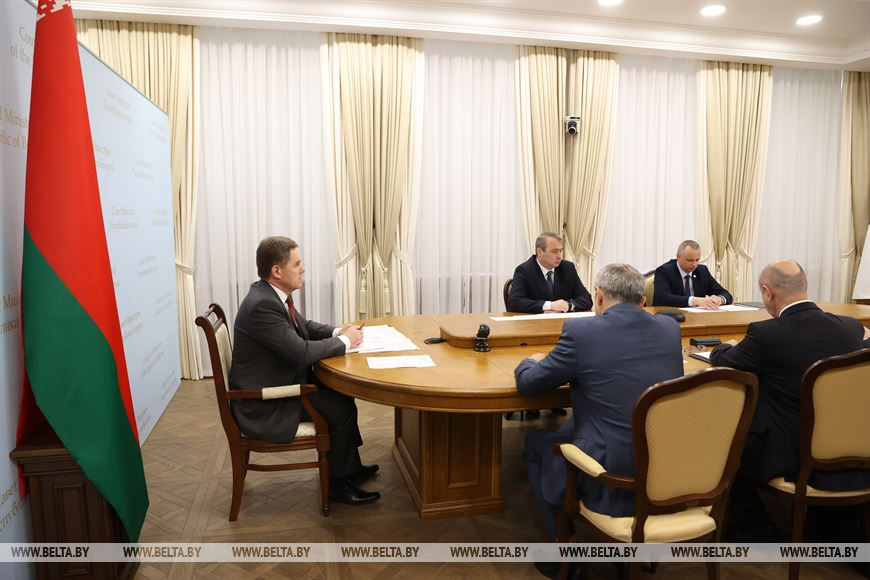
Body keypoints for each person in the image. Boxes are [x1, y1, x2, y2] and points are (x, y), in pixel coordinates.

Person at [515, 263, 683, 543]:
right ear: (643, 301)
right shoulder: (669, 327)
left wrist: (529, 362)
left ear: (600, 296)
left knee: (536, 443)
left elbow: (530, 384)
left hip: (610, 473)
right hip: (666, 468)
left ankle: (560, 549)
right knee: (578, 423)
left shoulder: (581, 332)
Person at [229, 236, 380, 505]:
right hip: (265, 402)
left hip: (278, 382)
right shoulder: (263, 305)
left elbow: (304, 327)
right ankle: (336, 486)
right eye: (297, 264)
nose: (303, 269)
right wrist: (346, 342)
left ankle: (348, 469)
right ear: (277, 271)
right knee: (339, 407)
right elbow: (300, 351)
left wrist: (338, 331)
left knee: (342, 395)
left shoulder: (269, 294)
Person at [710, 259, 870, 491]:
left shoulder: (766, 335)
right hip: (854, 450)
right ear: (805, 286)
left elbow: (724, 362)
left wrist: (725, 346)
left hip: (790, 457)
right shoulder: (850, 328)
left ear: (767, 292)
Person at [507, 232, 593, 314]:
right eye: (555, 251)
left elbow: (586, 299)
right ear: (539, 252)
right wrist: (550, 305)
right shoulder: (524, 270)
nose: (560, 256)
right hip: (535, 323)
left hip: (563, 321)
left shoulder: (568, 268)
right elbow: (514, 302)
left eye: (560, 251)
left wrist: (568, 305)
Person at [653, 239, 732, 310]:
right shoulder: (664, 271)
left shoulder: (702, 271)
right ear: (678, 257)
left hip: (697, 316)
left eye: (697, 260)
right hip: (670, 316)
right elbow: (663, 297)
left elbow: (726, 294)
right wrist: (694, 300)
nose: (694, 264)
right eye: (690, 260)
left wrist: (720, 299)